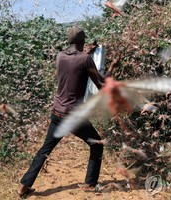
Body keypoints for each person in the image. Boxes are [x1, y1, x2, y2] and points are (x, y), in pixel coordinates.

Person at [17, 26, 117, 197]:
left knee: (45, 150)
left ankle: (24, 186)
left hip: (57, 112)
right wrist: (113, 67)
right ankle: (90, 184)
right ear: (81, 41)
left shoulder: (60, 56)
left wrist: (87, 53)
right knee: (97, 144)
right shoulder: (85, 59)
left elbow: (74, 63)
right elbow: (101, 84)